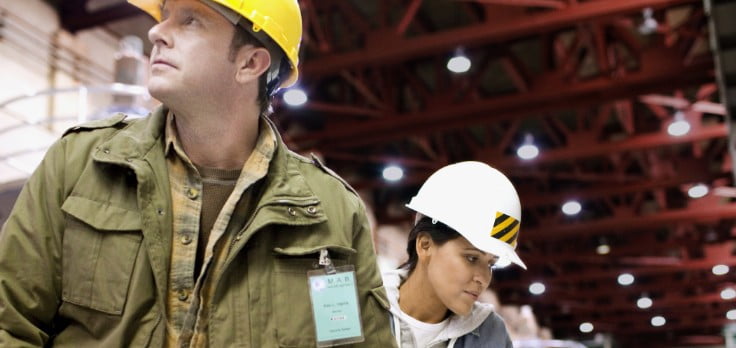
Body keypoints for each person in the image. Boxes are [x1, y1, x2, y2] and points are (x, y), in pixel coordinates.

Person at [0, 0, 396, 347]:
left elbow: (352, 344)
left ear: (250, 63)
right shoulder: (80, 164)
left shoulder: (332, 215)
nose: (157, 31)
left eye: (190, 20)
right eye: (166, 15)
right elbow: (10, 323)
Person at [383, 161, 526, 348]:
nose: (484, 279)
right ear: (425, 245)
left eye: (491, 264)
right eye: (472, 258)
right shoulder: (358, 311)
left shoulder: (491, 334)